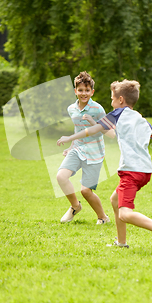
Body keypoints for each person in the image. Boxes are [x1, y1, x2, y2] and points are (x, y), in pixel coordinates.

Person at [57, 80, 152, 256]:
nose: (110, 102)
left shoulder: (117, 114)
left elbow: (91, 131)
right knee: (115, 200)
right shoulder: (139, 118)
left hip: (131, 172)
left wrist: (69, 137)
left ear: (120, 99)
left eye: (112, 99)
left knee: (125, 213)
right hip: (144, 171)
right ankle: (121, 242)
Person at [57, 72, 113, 224]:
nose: (84, 93)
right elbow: (78, 129)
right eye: (80, 90)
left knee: (85, 191)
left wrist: (93, 122)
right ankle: (75, 206)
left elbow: (111, 133)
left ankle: (103, 217)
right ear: (75, 91)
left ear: (92, 92)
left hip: (95, 153)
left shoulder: (97, 109)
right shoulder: (72, 109)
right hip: (78, 148)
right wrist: (71, 146)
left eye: (87, 90)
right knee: (61, 177)